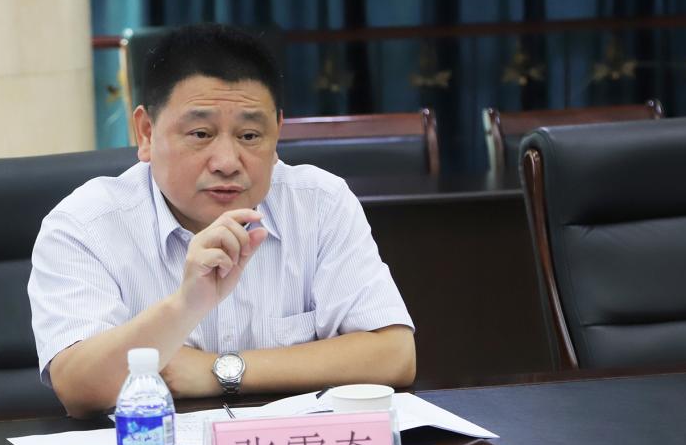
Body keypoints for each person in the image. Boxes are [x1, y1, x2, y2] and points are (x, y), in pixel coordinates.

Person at [29, 23, 415, 416]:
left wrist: (219, 371)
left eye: (250, 136)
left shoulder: (319, 203)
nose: (227, 163)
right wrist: (184, 306)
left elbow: (394, 354)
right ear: (146, 133)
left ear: (277, 133)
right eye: (200, 134)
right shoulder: (86, 224)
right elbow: (78, 387)